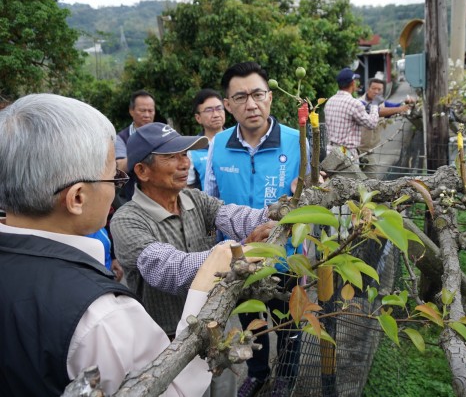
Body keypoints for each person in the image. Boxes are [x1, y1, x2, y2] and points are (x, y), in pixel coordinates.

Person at [0, 93, 236, 396]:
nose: (117, 186)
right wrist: (206, 279)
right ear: (77, 198)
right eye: (113, 177)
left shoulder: (193, 199)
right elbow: (170, 389)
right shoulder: (101, 317)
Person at [110, 122, 276, 397]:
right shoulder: (127, 220)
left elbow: (235, 217)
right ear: (142, 170)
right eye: (171, 157)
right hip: (166, 343)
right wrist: (237, 252)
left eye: (185, 155)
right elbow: (167, 269)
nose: (184, 164)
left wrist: (279, 215)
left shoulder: (194, 200)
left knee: (224, 391)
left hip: (216, 331)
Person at [204, 61, 303, 397]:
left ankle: (286, 378)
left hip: (285, 258)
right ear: (228, 105)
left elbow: (312, 199)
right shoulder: (218, 145)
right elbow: (211, 200)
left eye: (258, 94)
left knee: (289, 323)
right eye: (241, 97)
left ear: (270, 97)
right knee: (249, 322)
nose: (251, 104)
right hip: (240, 258)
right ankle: (258, 374)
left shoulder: (296, 141)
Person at [357, 78, 414, 175]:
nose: (376, 92)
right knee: (364, 179)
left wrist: (406, 102)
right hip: (357, 150)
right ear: (368, 89)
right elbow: (378, 111)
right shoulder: (359, 103)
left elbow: (394, 106)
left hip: (370, 151)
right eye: (374, 88)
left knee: (370, 180)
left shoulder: (382, 103)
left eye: (379, 90)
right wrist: (400, 108)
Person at [324, 68, 380, 162]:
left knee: (334, 177)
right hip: (346, 154)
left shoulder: (329, 101)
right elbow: (372, 123)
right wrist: (375, 105)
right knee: (351, 177)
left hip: (330, 152)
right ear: (352, 83)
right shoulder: (354, 103)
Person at [187, 88, 226, 189]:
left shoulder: (238, 141)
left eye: (219, 108)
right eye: (209, 110)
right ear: (198, 118)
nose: (216, 115)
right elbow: (188, 186)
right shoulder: (192, 149)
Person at [115, 90, 156, 172]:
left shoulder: (164, 134)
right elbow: (120, 167)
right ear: (131, 111)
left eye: (150, 111)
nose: (147, 115)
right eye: (142, 111)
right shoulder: (120, 138)